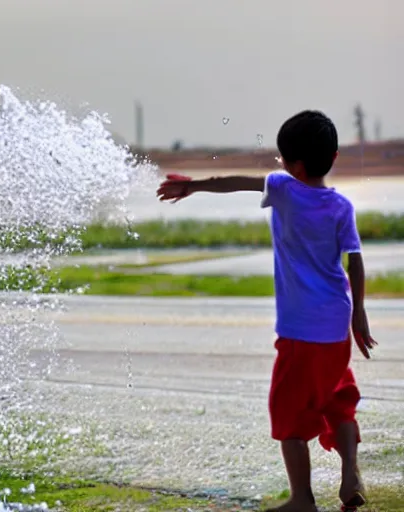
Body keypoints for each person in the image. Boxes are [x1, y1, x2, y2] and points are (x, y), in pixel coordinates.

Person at [156, 110, 377, 512]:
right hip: (335, 326)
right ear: (334, 156)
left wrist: (192, 188)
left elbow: (234, 182)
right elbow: (355, 260)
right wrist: (358, 314)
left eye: (281, 159)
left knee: (288, 412)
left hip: (300, 331)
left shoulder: (283, 189)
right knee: (337, 396)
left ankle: (302, 499)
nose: (278, 165)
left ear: (294, 166)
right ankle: (351, 476)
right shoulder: (342, 206)